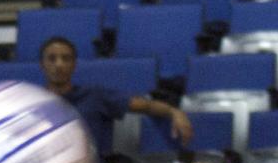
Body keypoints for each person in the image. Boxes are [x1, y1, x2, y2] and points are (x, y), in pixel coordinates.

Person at [39, 36, 193, 155]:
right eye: (52, 59)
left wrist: (174, 112)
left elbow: (146, 106)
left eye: (66, 59)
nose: (59, 64)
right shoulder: (32, 103)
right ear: (42, 64)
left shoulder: (95, 96)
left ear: (74, 64)